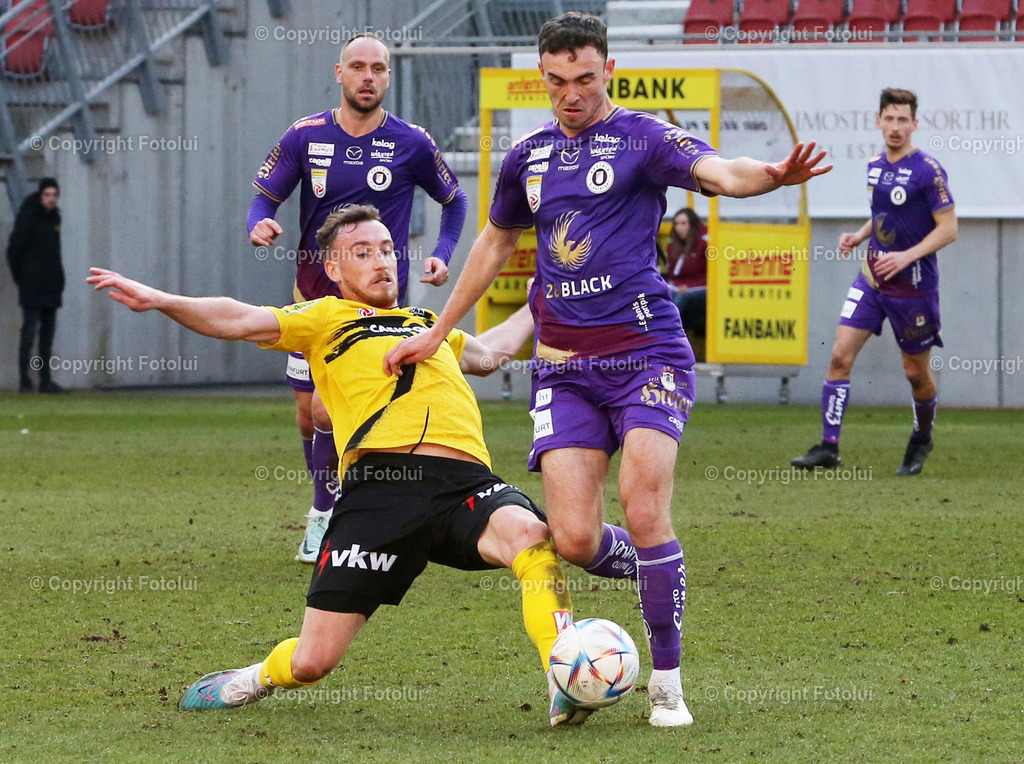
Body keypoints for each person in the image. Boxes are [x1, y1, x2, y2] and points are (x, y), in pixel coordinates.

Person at [384, 12, 831, 727]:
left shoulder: (643, 138)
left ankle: (666, 682)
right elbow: (495, 244)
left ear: (608, 72)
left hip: (647, 355)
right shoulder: (526, 159)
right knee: (576, 540)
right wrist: (440, 330)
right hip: (563, 373)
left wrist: (770, 177)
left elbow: (718, 170)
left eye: (585, 79)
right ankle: (662, 572)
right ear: (543, 78)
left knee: (646, 508)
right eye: (557, 81)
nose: (571, 94)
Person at [88, 204, 588, 727]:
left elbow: (492, 355)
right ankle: (254, 677)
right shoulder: (326, 318)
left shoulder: (429, 326)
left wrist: (543, 296)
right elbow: (237, 317)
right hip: (379, 495)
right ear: (333, 270)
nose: (381, 262)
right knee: (311, 663)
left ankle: (565, 678)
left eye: (387, 250)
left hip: (466, 483)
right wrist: (162, 300)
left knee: (533, 537)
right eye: (362, 253)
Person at [247, 33, 468, 563]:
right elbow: (265, 195)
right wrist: (261, 222)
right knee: (310, 416)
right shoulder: (305, 136)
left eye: (378, 69)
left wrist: (441, 251)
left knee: (334, 407)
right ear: (339, 73)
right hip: (312, 296)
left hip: (378, 306)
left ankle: (332, 514)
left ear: (388, 78)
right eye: (358, 67)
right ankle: (332, 503)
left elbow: (454, 201)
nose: (368, 77)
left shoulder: (412, 142)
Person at [791, 87, 957, 476]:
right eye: (890, 118)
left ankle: (922, 435)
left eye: (903, 120)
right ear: (879, 121)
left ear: (915, 124)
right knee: (838, 357)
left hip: (913, 287)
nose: (896, 127)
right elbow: (885, 213)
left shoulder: (928, 170)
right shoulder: (874, 166)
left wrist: (907, 255)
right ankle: (829, 447)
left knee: (915, 374)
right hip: (872, 280)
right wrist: (860, 235)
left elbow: (948, 229)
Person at [7, 177, 64, 393]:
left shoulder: (54, 218)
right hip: (32, 284)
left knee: (47, 336)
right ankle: (24, 379)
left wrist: (59, 279)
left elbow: (54, 254)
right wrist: (21, 278)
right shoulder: (28, 216)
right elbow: (15, 248)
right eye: (47, 195)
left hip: (51, 284)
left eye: (54, 195)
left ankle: (45, 380)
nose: (50, 200)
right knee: (29, 331)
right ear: (40, 196)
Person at [664, 207, 708, 338]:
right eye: (676, 224)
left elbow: (711, 275)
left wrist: (688, 288)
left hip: (700, 288)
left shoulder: (705, 244)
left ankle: (669, 336)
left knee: (681, 298)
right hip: (677, 287)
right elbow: (671, 274)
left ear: (693, 225)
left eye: (683, 224)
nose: (679, 228)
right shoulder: (672, 246)